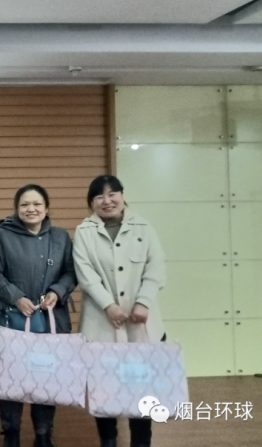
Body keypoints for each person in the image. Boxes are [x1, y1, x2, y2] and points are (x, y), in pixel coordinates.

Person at [73, 175, 167, 447]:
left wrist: (144, 302)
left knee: (142, 388)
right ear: (91, 202)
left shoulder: (144, 227)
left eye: (112, 194)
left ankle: (141, 442)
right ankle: (109, 440)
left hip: (141, 324)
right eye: (99, 196)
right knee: (104, 387)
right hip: (101, 324)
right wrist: (109, 305)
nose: (107, 201)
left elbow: (156, 267)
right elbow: (85, 274)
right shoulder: (84, 231)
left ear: (123, 196)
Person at [0, 184, 77, 447]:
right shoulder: (3, 235)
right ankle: (11, 435)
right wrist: (16, 297)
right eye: (25, 204)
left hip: (51, 321)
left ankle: (43, 435)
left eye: (37, 204)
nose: (31, 209)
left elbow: (71, 272)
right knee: (11, 378)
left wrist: (57, 291)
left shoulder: (60, 237)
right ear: (17, 209)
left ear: (46, 208)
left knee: (46, 377)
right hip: (13, 320)